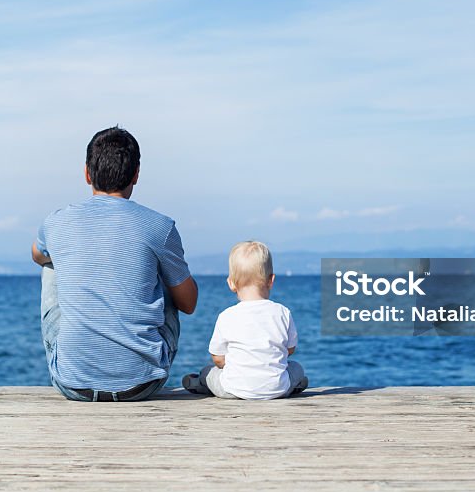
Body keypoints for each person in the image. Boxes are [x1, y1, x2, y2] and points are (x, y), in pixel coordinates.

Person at [32, 126, 198, 402]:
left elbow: (37, 256)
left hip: (71, 383)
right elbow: (189, 304)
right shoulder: (160, 227)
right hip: (143, 385)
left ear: (87, 173)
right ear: (136, 174)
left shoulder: (55, 222)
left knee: (50, 265)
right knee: (165, 272)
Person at [182, 241, 307, 400]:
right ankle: (295, 384)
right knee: (296, 368)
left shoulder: (226, 316)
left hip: (233, 389)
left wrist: (233, 367)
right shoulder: (283, 312)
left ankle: (199, 383)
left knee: (208, 372)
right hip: (277, 389)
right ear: (271, 280)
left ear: (231, 283)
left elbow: (217, 357)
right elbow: (289, 349)